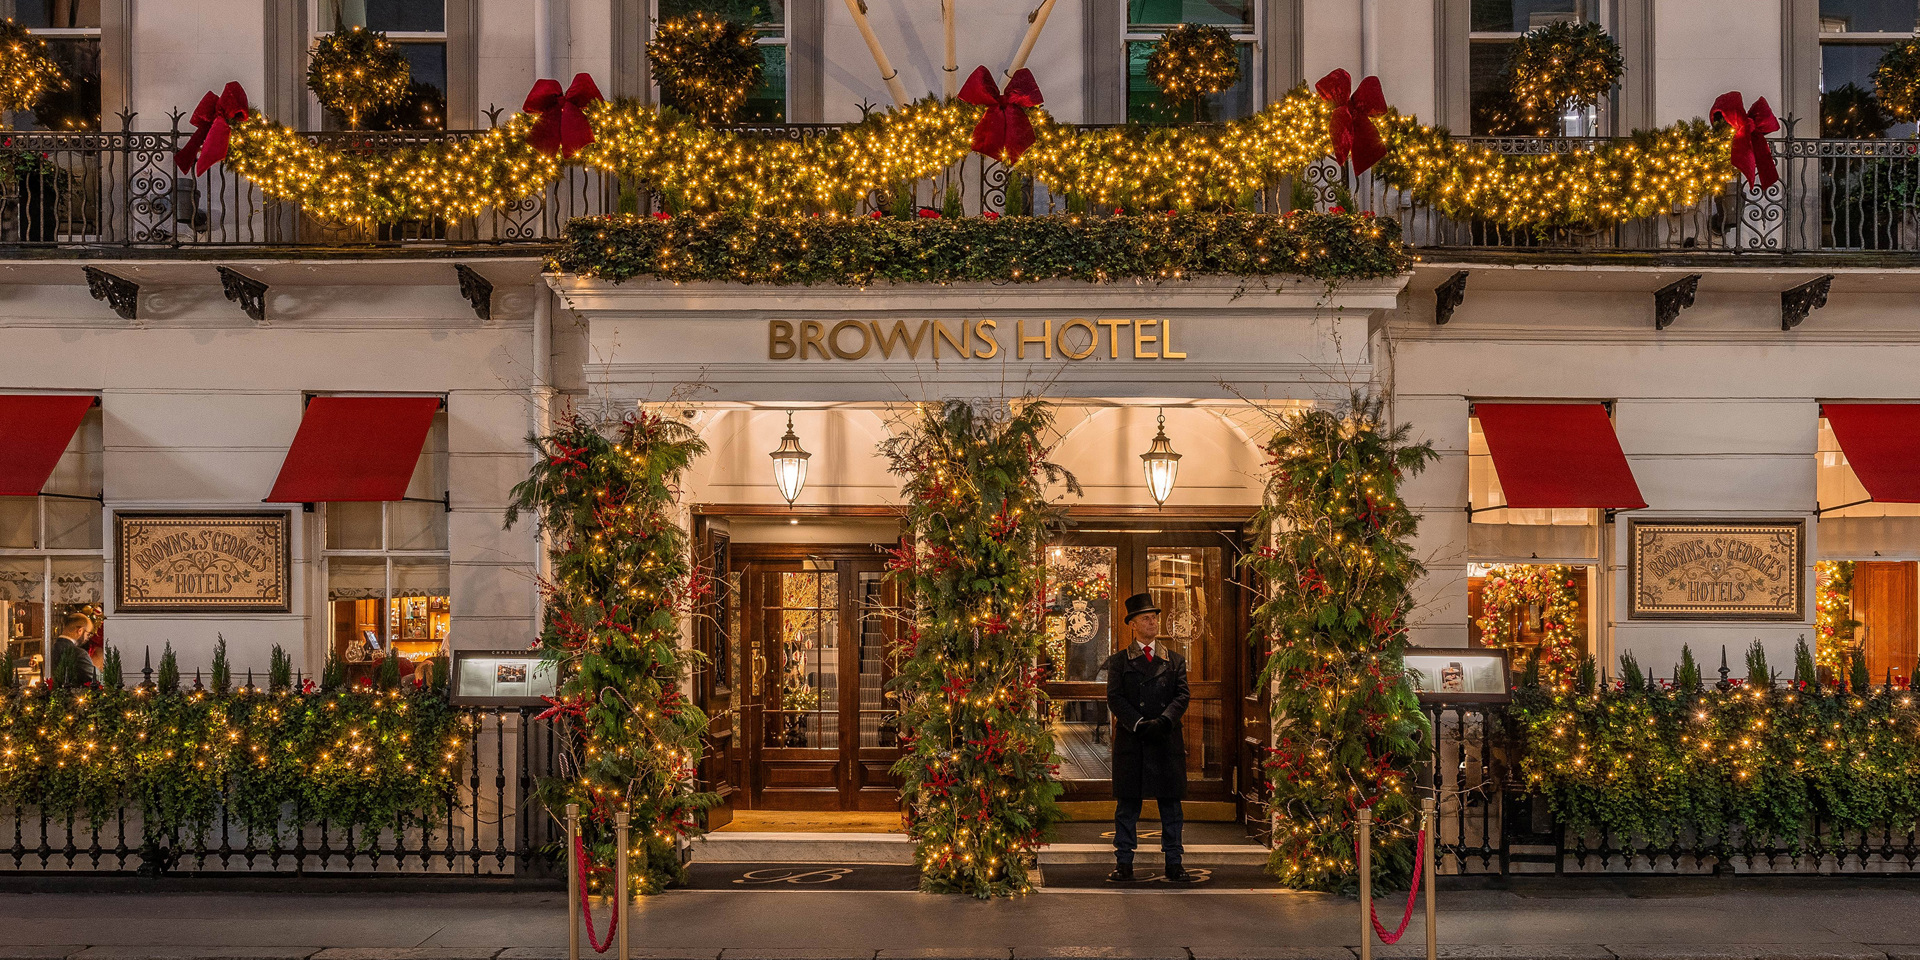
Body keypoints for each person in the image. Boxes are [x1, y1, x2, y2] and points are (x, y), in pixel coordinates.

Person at [1104, 592, 1196, 883]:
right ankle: (1124, 862)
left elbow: (1182, 695)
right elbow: (1114, 697)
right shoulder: (1119, 661)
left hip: (1165, 740)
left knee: (1170, 805)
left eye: (1155, 617)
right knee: (1128, 805)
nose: (1153, 622)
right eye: (1146, 618)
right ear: (1132, 624)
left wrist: (1164, 721)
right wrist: (1139, 722)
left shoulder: (1174, 661)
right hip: (1133, 741)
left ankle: (1174, 861)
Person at [50, 611, 97, 687]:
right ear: (80, 631)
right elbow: (95, 679)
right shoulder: (79, 653)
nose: (87, 638)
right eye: (88, 634)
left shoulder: (50, 649)